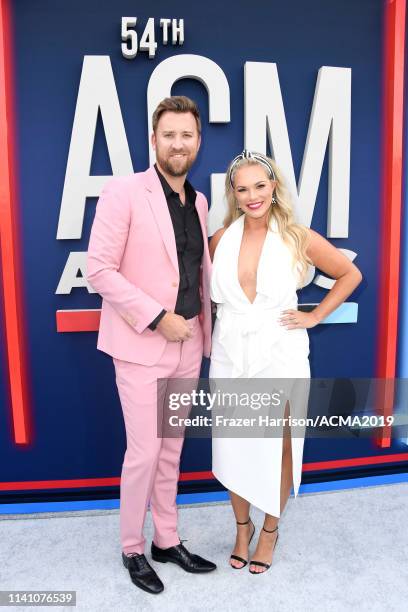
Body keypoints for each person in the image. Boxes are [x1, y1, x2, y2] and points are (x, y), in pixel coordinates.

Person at [209, 150, 362, 574]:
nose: (253, 195)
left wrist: (314, 315)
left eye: (260, 185)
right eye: (243, 189)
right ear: (234, 194)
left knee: (280, 444)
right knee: (233, 444)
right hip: (230, 352)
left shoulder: (297, 235)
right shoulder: (221, 240)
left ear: (274, 187)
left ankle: (270, 531)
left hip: (281, 352)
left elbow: (350, 275)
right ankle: (242, 529)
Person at [87, 96, 216, 595]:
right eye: (170, 135)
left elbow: (196, 275)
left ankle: (167, 538)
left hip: (189, 345)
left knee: (172, 451)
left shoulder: (199, 202)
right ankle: (132, 548)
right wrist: (158, 318)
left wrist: (200, 333)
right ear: (154, 140)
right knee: (143, 453)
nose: (178, 143)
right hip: (143, 344)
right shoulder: (123, 192)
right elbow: (99, 270)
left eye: (187, 135)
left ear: (198, 141)